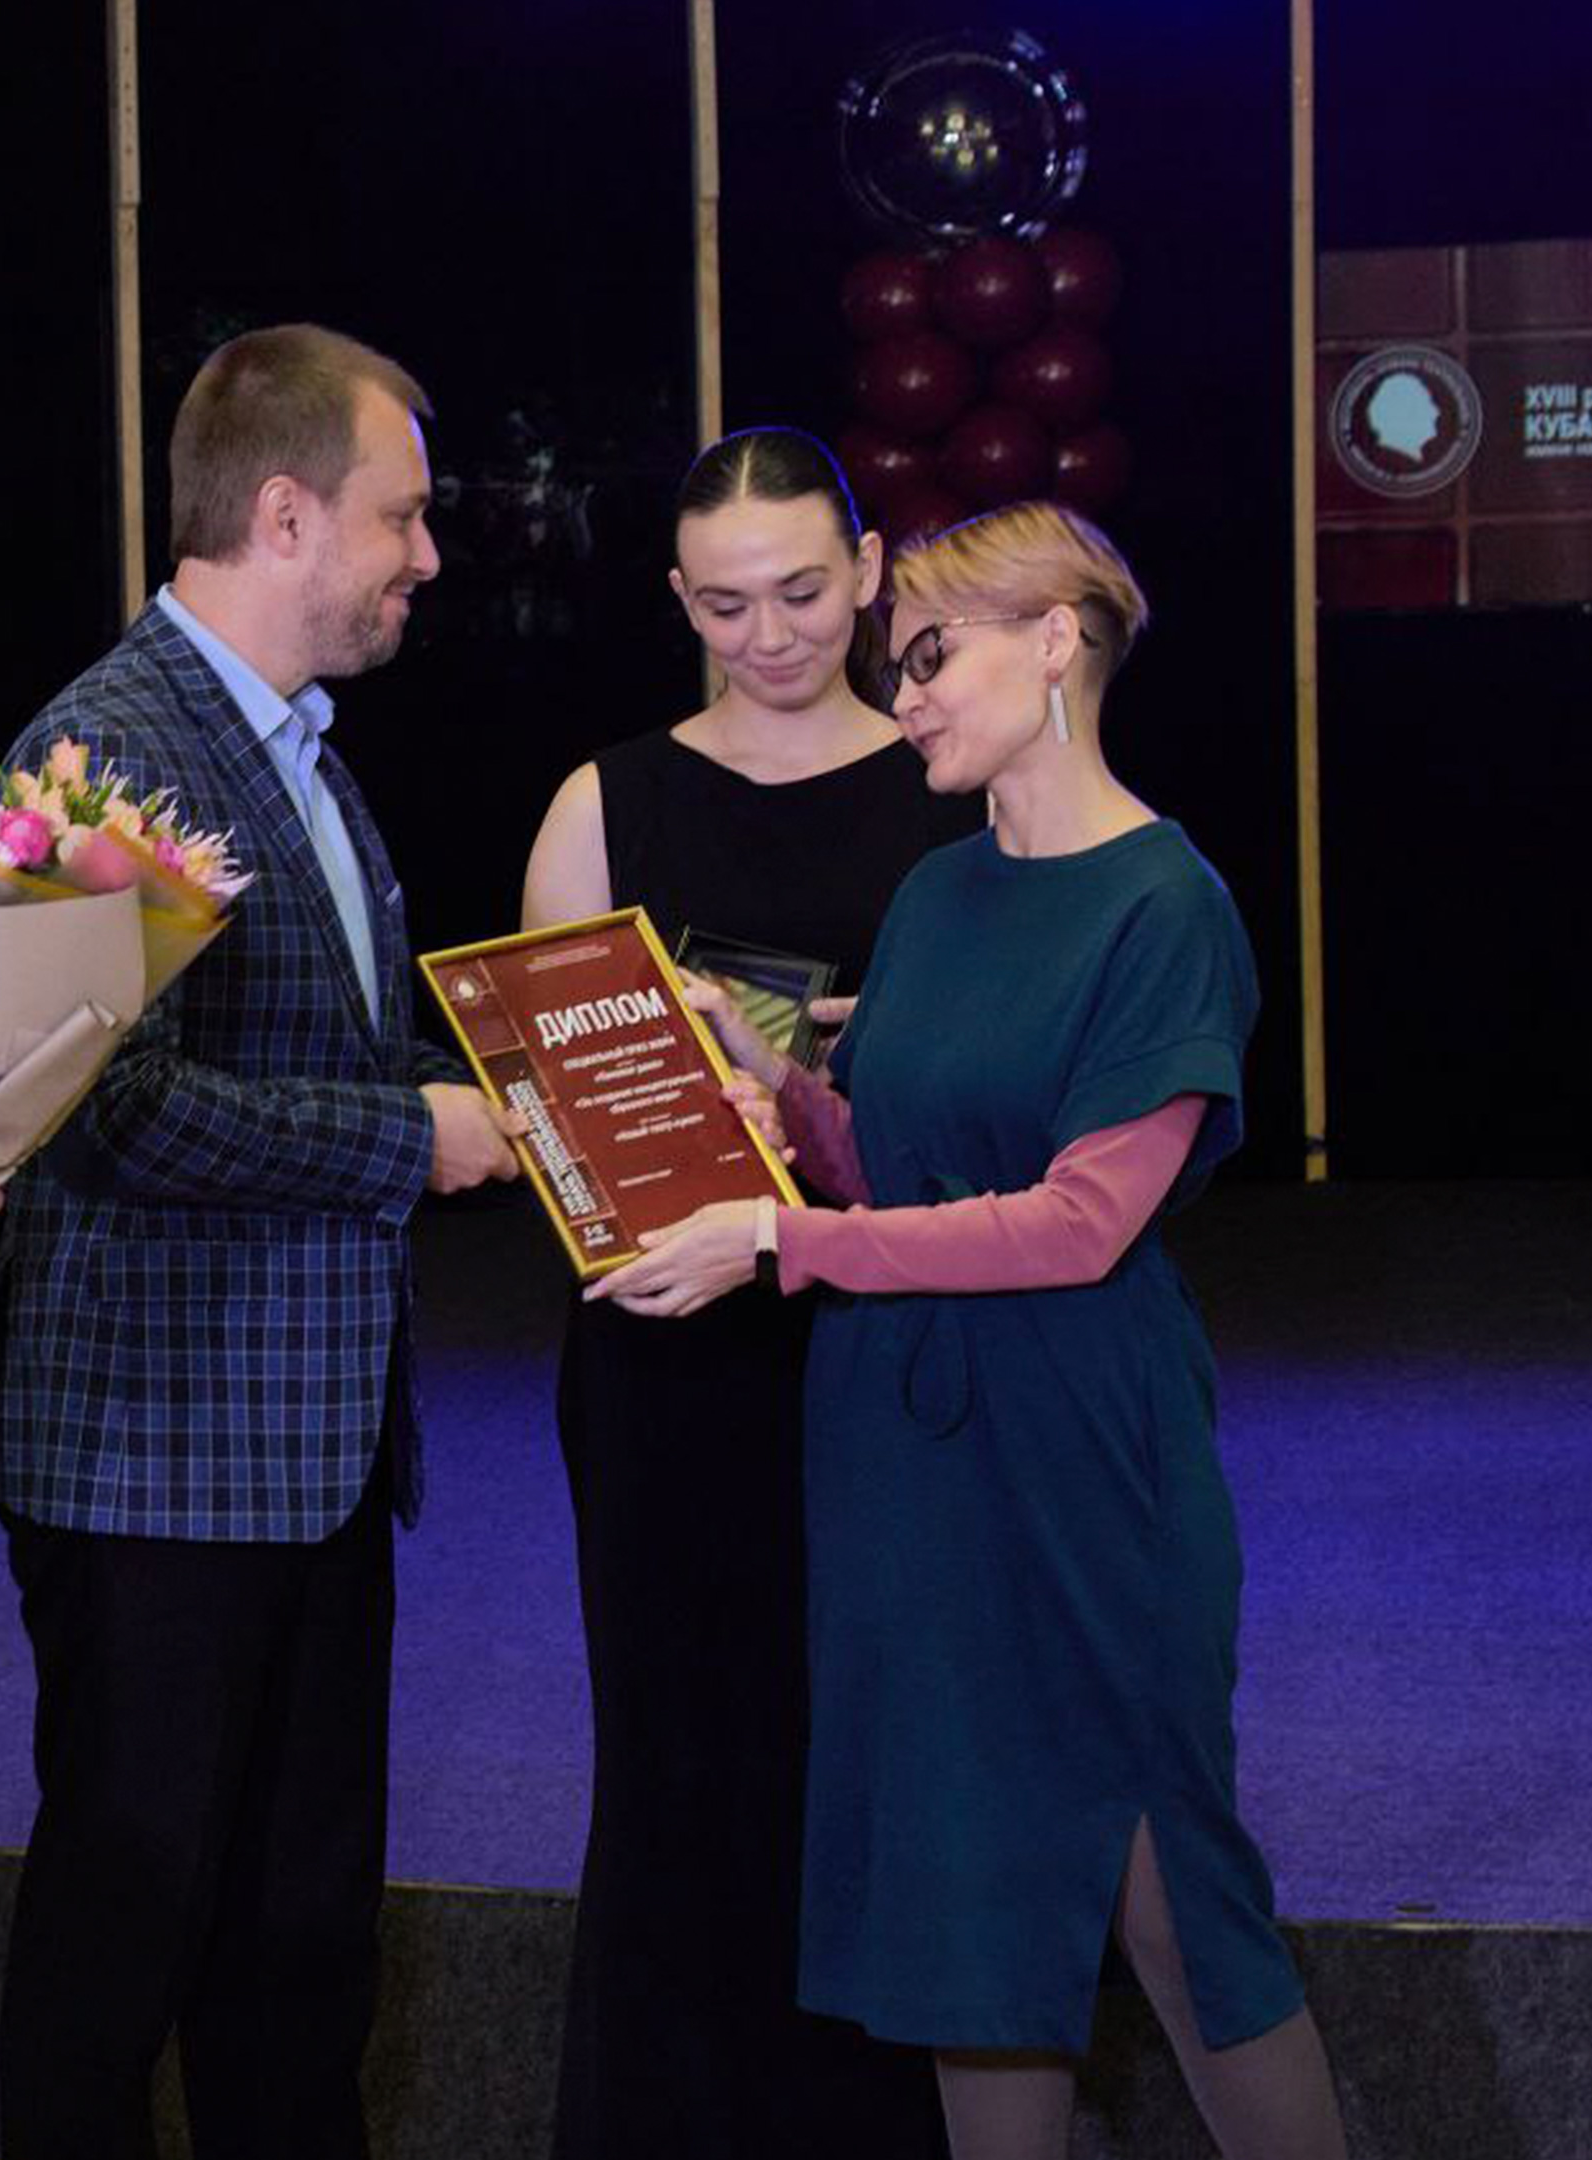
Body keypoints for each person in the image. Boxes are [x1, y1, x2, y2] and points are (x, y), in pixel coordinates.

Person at [589, 503, 1347, 2160]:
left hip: (1080, 1453)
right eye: (901, 661)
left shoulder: (1166, 904)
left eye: (932, 653)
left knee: (1173, 1901)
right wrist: (777, 1096)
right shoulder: (937, 893)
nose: (904, 692)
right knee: (965, 1916)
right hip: (903, 1456)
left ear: (1058, 639)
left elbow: (1082, 1223)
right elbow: (898, 1169)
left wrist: (780, 1237)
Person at [0, 322, 526, 2160]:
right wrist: (416, 1139)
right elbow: (107, 1110)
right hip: (152, 1463)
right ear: (284, 516)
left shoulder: (300, 751)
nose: (427, 557)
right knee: (121, 1941)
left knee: (299, 1957)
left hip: (307, 1458)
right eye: (403, 516)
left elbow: (329, 1050)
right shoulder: (103, 748)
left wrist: (555, 1081)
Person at [518, 426, 957, 2157]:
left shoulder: (955, 777)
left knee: (876, 1764)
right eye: (723, 606)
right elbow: (553, 1127)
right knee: (675, 1769)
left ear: (870, 572)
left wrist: (854, 1076)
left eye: (800, 592)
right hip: (668, 1359)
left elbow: (1024, 1111)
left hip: (889, 1346)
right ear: (677, 601)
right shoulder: (604, 801)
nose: (768, 637)